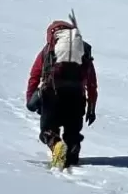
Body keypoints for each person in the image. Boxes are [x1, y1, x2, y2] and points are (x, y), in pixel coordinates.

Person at [26, 17, 97, 169]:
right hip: (77, 96)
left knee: (48, 130)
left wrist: (30, 97)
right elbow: (92, 83)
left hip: (52, 94)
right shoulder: (83, 51)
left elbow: (35, 76)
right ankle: (72, 154)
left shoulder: (48, 50)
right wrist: (91, 108)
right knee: (73, 133)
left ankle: (56, 145)